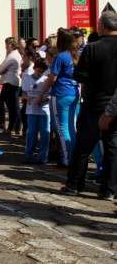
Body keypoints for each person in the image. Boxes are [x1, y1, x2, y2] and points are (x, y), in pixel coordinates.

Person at [64, 12, 117, 199]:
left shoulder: (92, 48)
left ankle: (75, 185)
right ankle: (109, 189)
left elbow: (80, 76)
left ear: (102, 26)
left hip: (95, 103)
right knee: (112, 147)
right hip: (114, 104)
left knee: (83, 146)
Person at [39, 28, 79, 167]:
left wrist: (40, 94)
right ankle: (73, 156)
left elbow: (52, 79)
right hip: (73, 94)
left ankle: (67, 159)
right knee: (71, 128)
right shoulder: (74, 56)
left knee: (61, 128)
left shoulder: (60, 57)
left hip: (60, 94)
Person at [21, 59, 50, 164]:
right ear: (34, 68)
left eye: (42, 72)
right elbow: (23, 93)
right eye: (38, 71)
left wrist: (43, 99)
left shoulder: (46, 79)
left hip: (44, 110)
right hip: (31, 110)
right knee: (31, 133)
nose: (39, 74)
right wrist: (26, 98)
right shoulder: (27, 78)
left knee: (45, 134)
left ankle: (42, 157)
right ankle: (28, 155)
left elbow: (50, 95)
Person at [0, 37, 22, 135]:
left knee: (11, 106)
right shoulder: (15, 54)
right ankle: (15, 127)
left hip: (10, 83)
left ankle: (9, 126)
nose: (5, 47)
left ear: (10, 45)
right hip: (12, 82)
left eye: (6, 44)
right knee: (13, 106)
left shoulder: (12, 56)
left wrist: (3, 70)